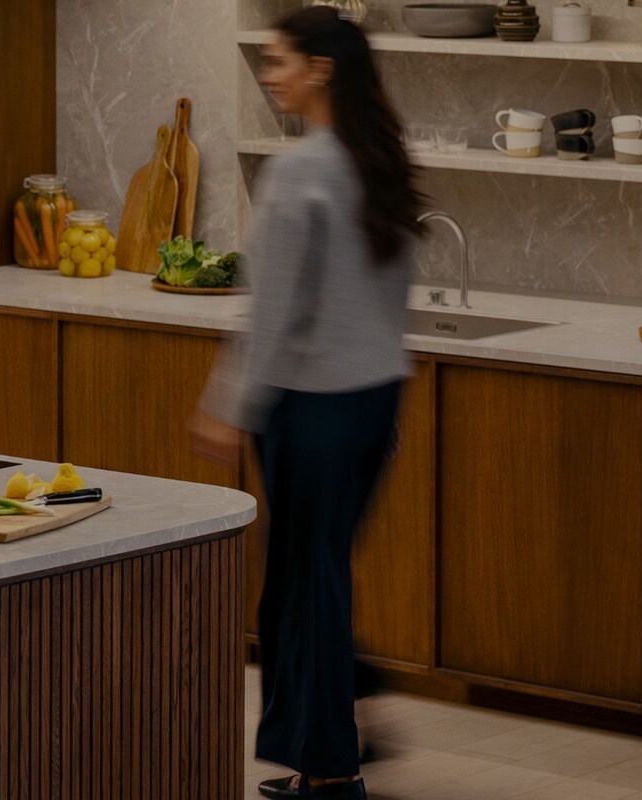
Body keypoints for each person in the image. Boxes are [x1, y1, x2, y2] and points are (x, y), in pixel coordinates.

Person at [190, 8, 423, 799]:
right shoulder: (378, 159)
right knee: (312, 581)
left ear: (321, 69)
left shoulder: (300, 172)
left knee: (307, 588)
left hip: (312, 408)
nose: (269, 72)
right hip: (372, 402)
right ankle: (333, 736)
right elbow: (391, 299)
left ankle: (331, 773)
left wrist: (229, 406)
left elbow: (274, 313)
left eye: (281, 59)